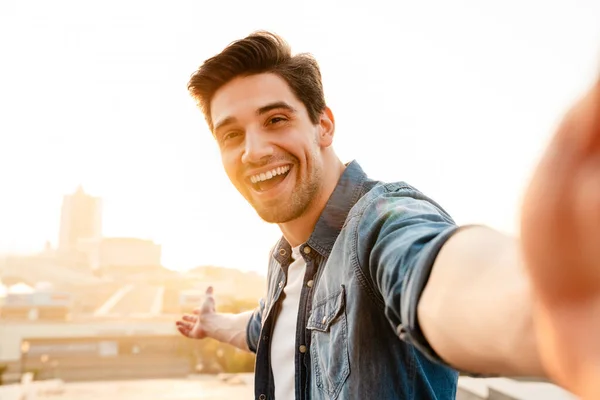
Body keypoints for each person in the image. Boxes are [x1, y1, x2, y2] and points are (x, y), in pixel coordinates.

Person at [176, 31, 600, 400]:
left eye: (276, 119)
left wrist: (549, 304)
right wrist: (212, 324)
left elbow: (433, 273)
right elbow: (266, 324)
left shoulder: (379, 220)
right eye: (232, 134)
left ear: (323, 126)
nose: (254, 151)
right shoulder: (282, 259)